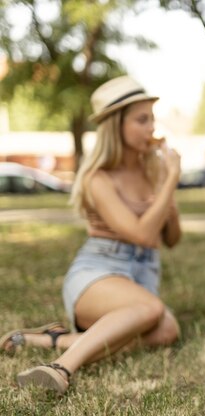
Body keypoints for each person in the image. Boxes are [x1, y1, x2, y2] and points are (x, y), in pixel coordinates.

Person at [0, 76, 182, 395]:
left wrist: (167, 186)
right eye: (142, 120)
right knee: (152, 310)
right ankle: (60, 367)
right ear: (116, 125)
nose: (151, 127)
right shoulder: (98, 178)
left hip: (140, 280)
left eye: (152, 118)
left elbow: (172, 238)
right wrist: (170, 183)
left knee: (168, 329)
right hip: (97, 273)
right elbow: (140, 234)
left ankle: (49, 339)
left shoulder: (154, 170)